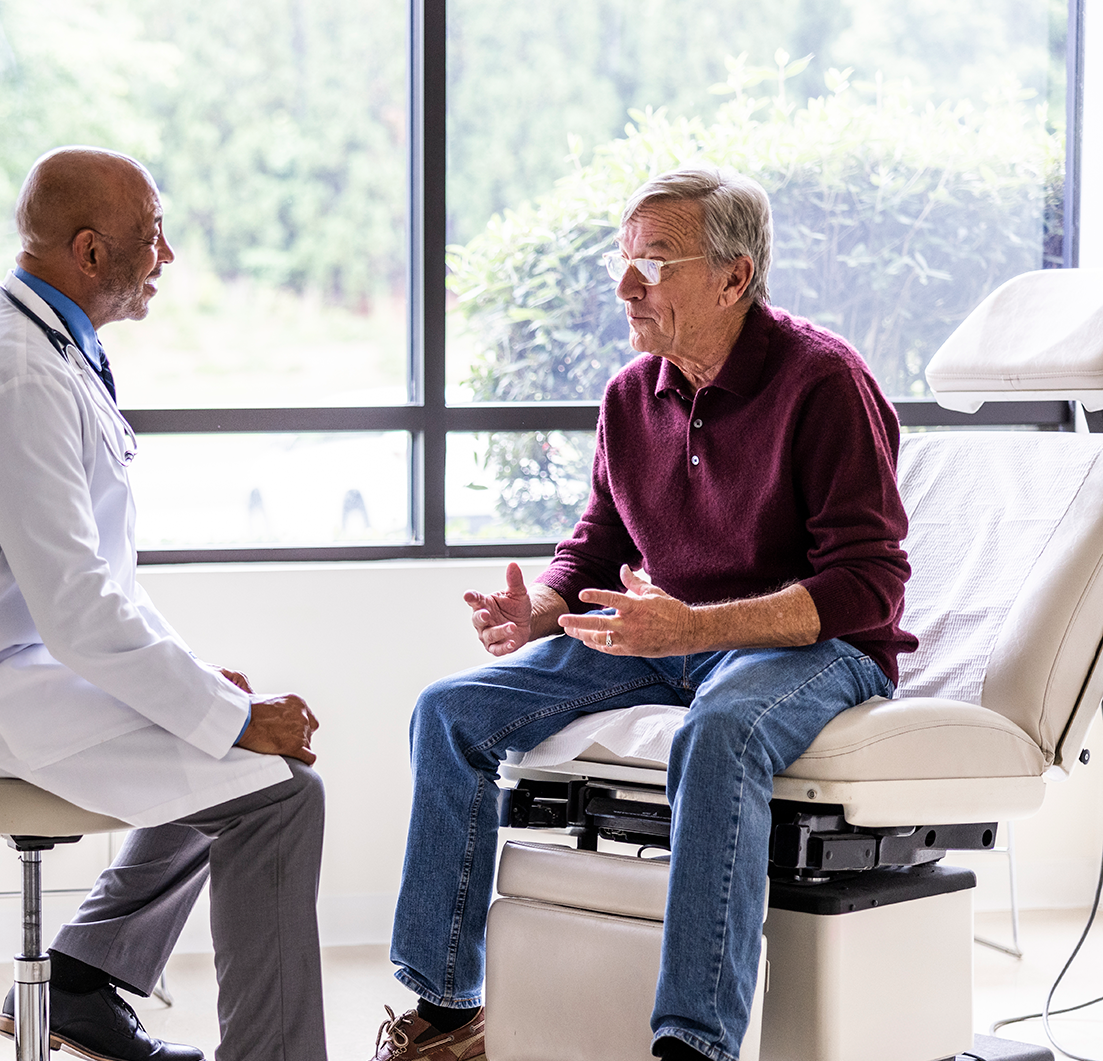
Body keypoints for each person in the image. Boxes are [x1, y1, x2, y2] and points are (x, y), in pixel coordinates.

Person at [367, 166, 916, 1061]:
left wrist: (697, 627)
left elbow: (870, 585)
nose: (627, 285)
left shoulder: (823, 382)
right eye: (623, 261)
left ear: (734, 278)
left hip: (819, 645)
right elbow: (598, 542)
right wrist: (540, 606)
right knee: (450, 711)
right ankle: (448, 1005)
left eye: (655, 263)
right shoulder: (632, 395)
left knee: (722, 730)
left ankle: (693, 1042)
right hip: (668, 638)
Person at [0, 146, 329, 1061]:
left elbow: (97, 582)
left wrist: (200, 690)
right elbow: (80, 609)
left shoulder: (48, 344)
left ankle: (78, 979)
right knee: (278, 793)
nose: (167, 258)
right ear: (88, 252)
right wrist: (228, 714)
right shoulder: (16, 374)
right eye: (151, 237)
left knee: (209, 736)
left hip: (13, 664)